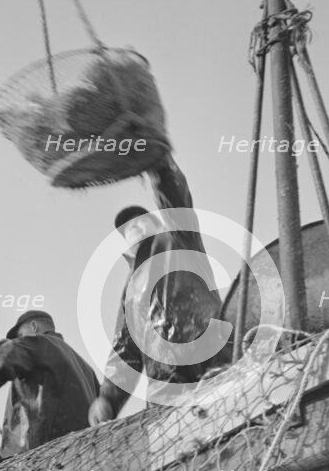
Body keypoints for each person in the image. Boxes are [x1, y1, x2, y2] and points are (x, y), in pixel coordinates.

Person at [88, 154, 227, 426]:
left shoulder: (181, 240)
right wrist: (107, 397)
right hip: (165, 396)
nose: (135, 226)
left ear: (159, 224)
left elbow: (175, 202)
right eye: (127, 228)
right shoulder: (129, 293)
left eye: (142, 220)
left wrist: (158, 166)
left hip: (213, 369)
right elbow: (124, 352)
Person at [0, 310, 99, 458]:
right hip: (81, 457)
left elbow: (3, 358)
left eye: (20, 335)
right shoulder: (89, 372)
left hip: (35, 455)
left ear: (34, 327)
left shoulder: (38, 343)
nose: (19, 340)